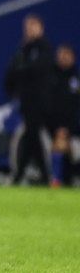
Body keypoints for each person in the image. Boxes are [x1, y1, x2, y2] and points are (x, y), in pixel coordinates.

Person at [4, 14, 55, 185]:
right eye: (28, 27)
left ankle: (31, 174)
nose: (30, 31)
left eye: (33, 27)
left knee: (35, 138)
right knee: (31, 137)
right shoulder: (23, 49)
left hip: (41, 104)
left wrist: (22, 70)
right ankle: (43, 175)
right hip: (26, 104)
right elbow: (12, 72)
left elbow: (35, 70)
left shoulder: (44, 48)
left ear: (41, 28)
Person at [49, 43, 79, 187]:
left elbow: (74, 108)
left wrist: (69, 129)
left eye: (67, 55)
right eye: (61, 54)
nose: (64, 58)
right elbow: (49, 106)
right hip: (52, 128)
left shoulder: (76, 78)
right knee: (59, 144)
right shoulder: (51, 78)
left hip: (74, 129)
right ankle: (56, 179)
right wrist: (57, 128)